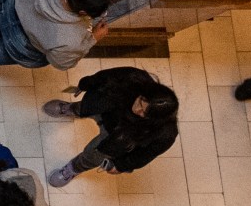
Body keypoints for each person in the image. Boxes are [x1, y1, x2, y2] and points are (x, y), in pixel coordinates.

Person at [41, 66, 178, 185]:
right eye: (140, 103)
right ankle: (71, 109)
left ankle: (74, 168)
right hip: (104, 108)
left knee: (92, 156)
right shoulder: (133, 78)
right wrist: (85, 84)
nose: (137, 110)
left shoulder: (166, 133)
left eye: (144, 113)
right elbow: (104, 76)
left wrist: (121, 166)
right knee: (83, 107)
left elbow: (146, 155)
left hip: (116, 139)